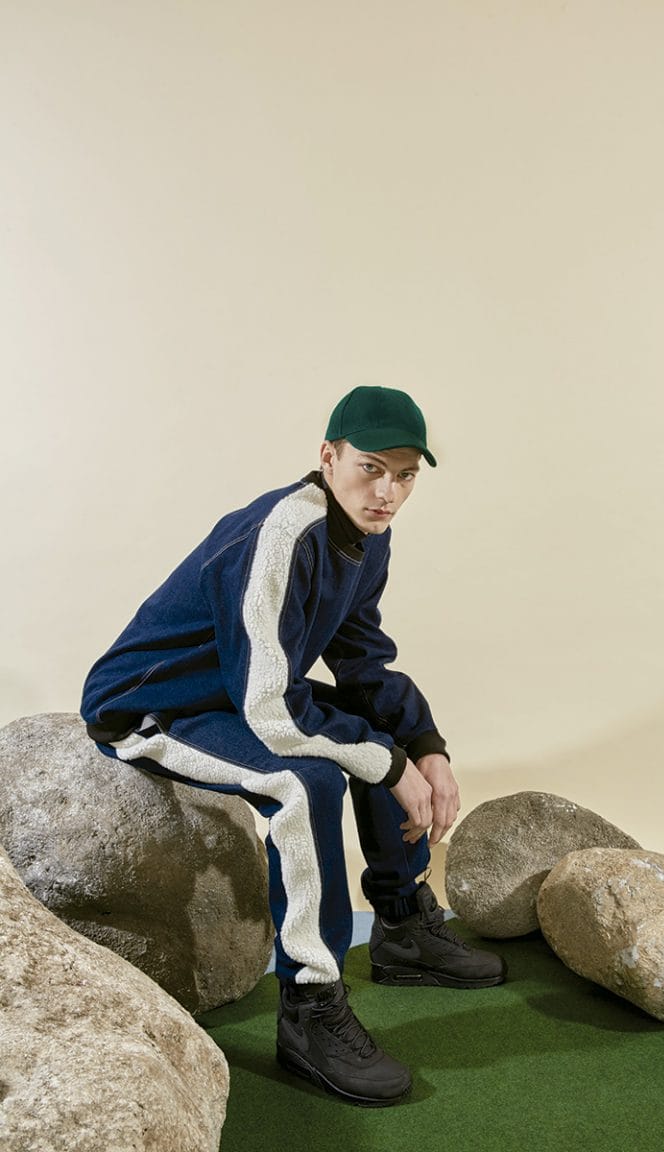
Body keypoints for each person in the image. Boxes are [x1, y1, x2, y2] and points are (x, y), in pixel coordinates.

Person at [81, 385, 505, 1107]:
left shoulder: (366, 534)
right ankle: (309, 1007)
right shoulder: (280, 536)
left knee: (379, 737)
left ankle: (403, 926)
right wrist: (389, 766)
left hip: (237, 689)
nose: (388, 493)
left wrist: (424, 746)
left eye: (405, 476)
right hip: (153, 706)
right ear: (328, 457)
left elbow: (361, 661)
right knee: (307, 783)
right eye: (371, 469)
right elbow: (271, 712)